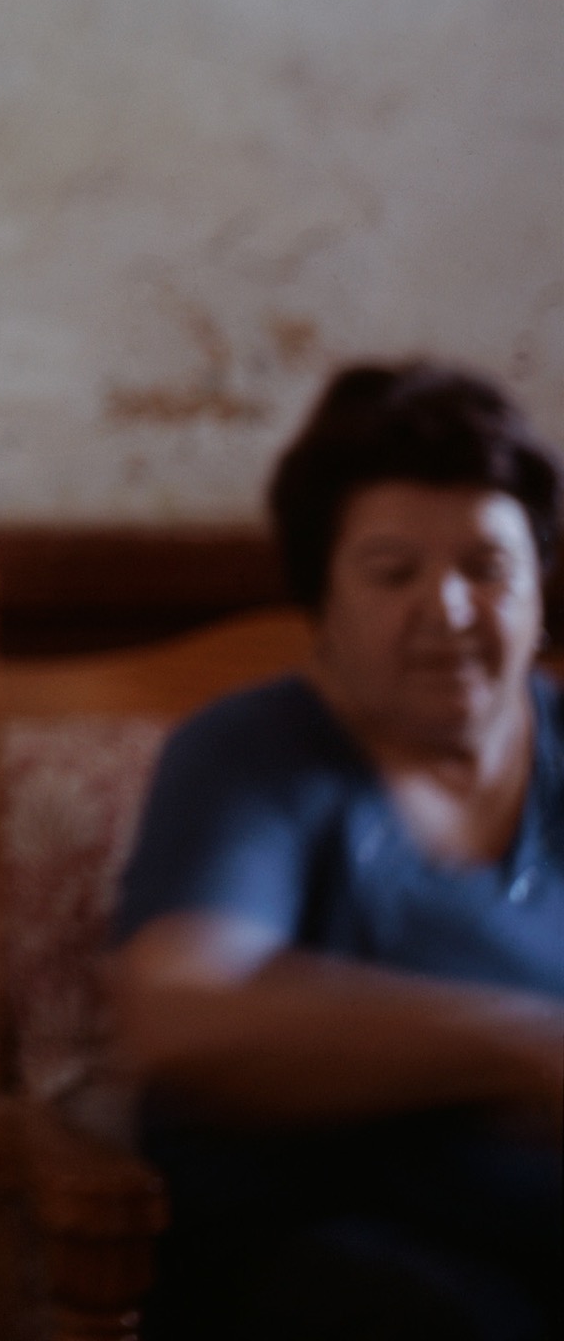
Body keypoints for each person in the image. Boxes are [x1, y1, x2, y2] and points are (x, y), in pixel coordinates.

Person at [110, 361, 564, 1341]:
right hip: (318, 1251)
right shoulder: (251, 755)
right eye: (394, 572)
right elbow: (182, 1010)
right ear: (322, 599)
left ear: (538, 586)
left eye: (487, 566)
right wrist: (524, 1049)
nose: (448, 608)